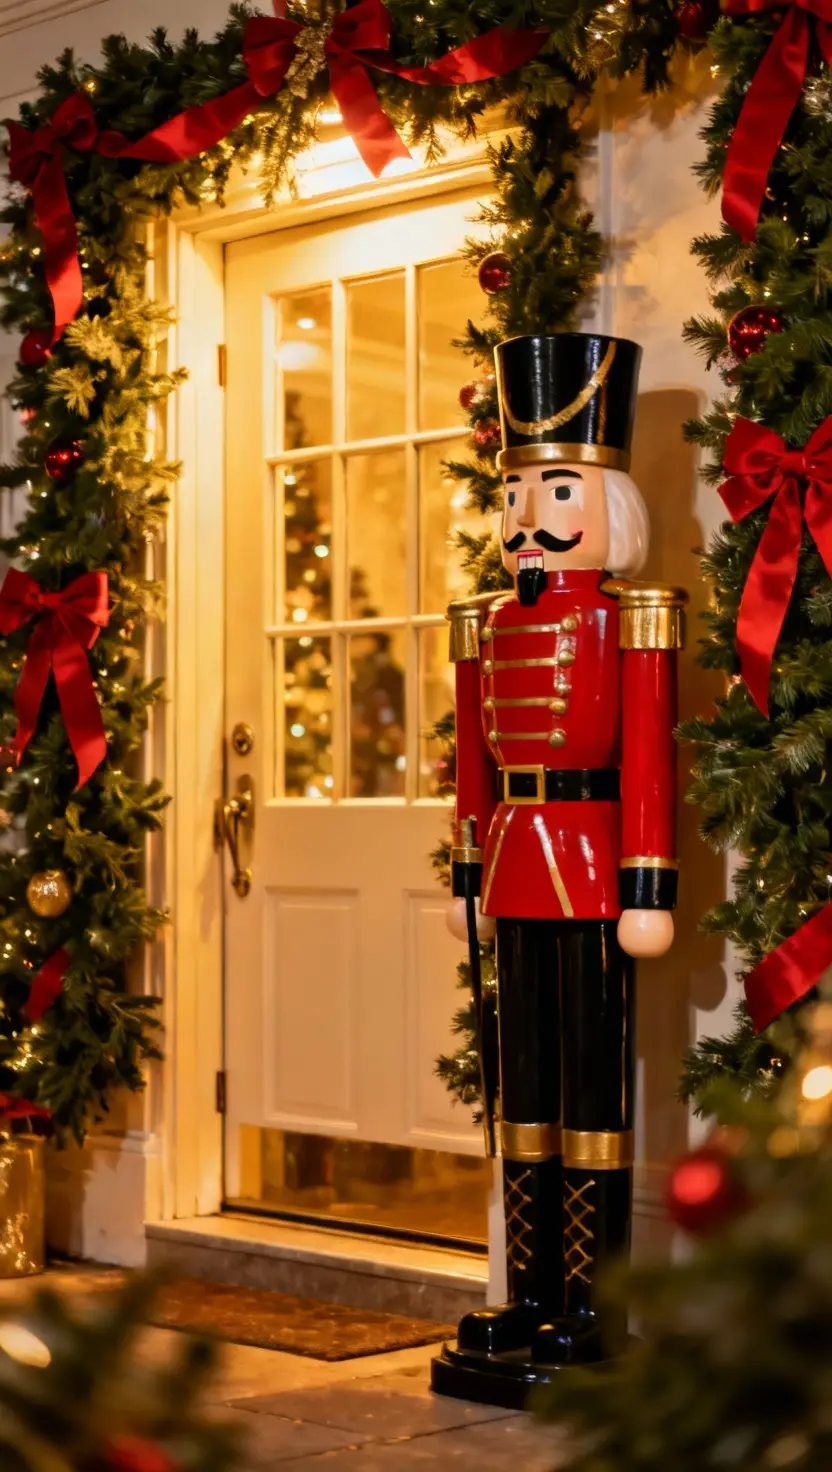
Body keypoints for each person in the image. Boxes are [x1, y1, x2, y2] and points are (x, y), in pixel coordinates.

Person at [432, 331, 686, 1407]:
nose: (531, 510)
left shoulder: (627, 615)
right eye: (519, 488)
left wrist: (646, 884)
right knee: (518, 1086)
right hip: (513, 869)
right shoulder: (486, 621)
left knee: (590, 1083)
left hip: (589, 867)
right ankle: (527, 1288)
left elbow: (646, 761)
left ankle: (588, 1298)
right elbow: (469, 761)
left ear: (607, 501)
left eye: (558, 485)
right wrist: (462, 870)